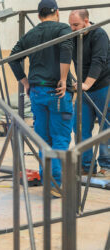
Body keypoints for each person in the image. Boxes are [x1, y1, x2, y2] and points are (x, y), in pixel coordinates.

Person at [9, 0, 74, 197]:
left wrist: (26, 83)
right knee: (60, 139)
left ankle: (48, 182)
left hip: (36, 92)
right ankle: (56, 184)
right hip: (57, 92)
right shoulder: (63, 28)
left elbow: (13, 58)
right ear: (57, 12)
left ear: (39, 16)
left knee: (43, 139)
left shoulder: (30, 34)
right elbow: (66, 50)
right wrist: (63, 79)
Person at [69, 9, 110, 177]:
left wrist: (86, 84)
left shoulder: (99, 34)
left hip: (102, 86)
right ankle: (86, 166)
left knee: (104, 127)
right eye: (70, 25)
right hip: (84, 89)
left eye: (76, 25)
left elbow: (98, 61)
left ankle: (105, 165)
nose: (72, 28)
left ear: (87, 21)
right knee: (80, 127)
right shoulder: (73, 36)